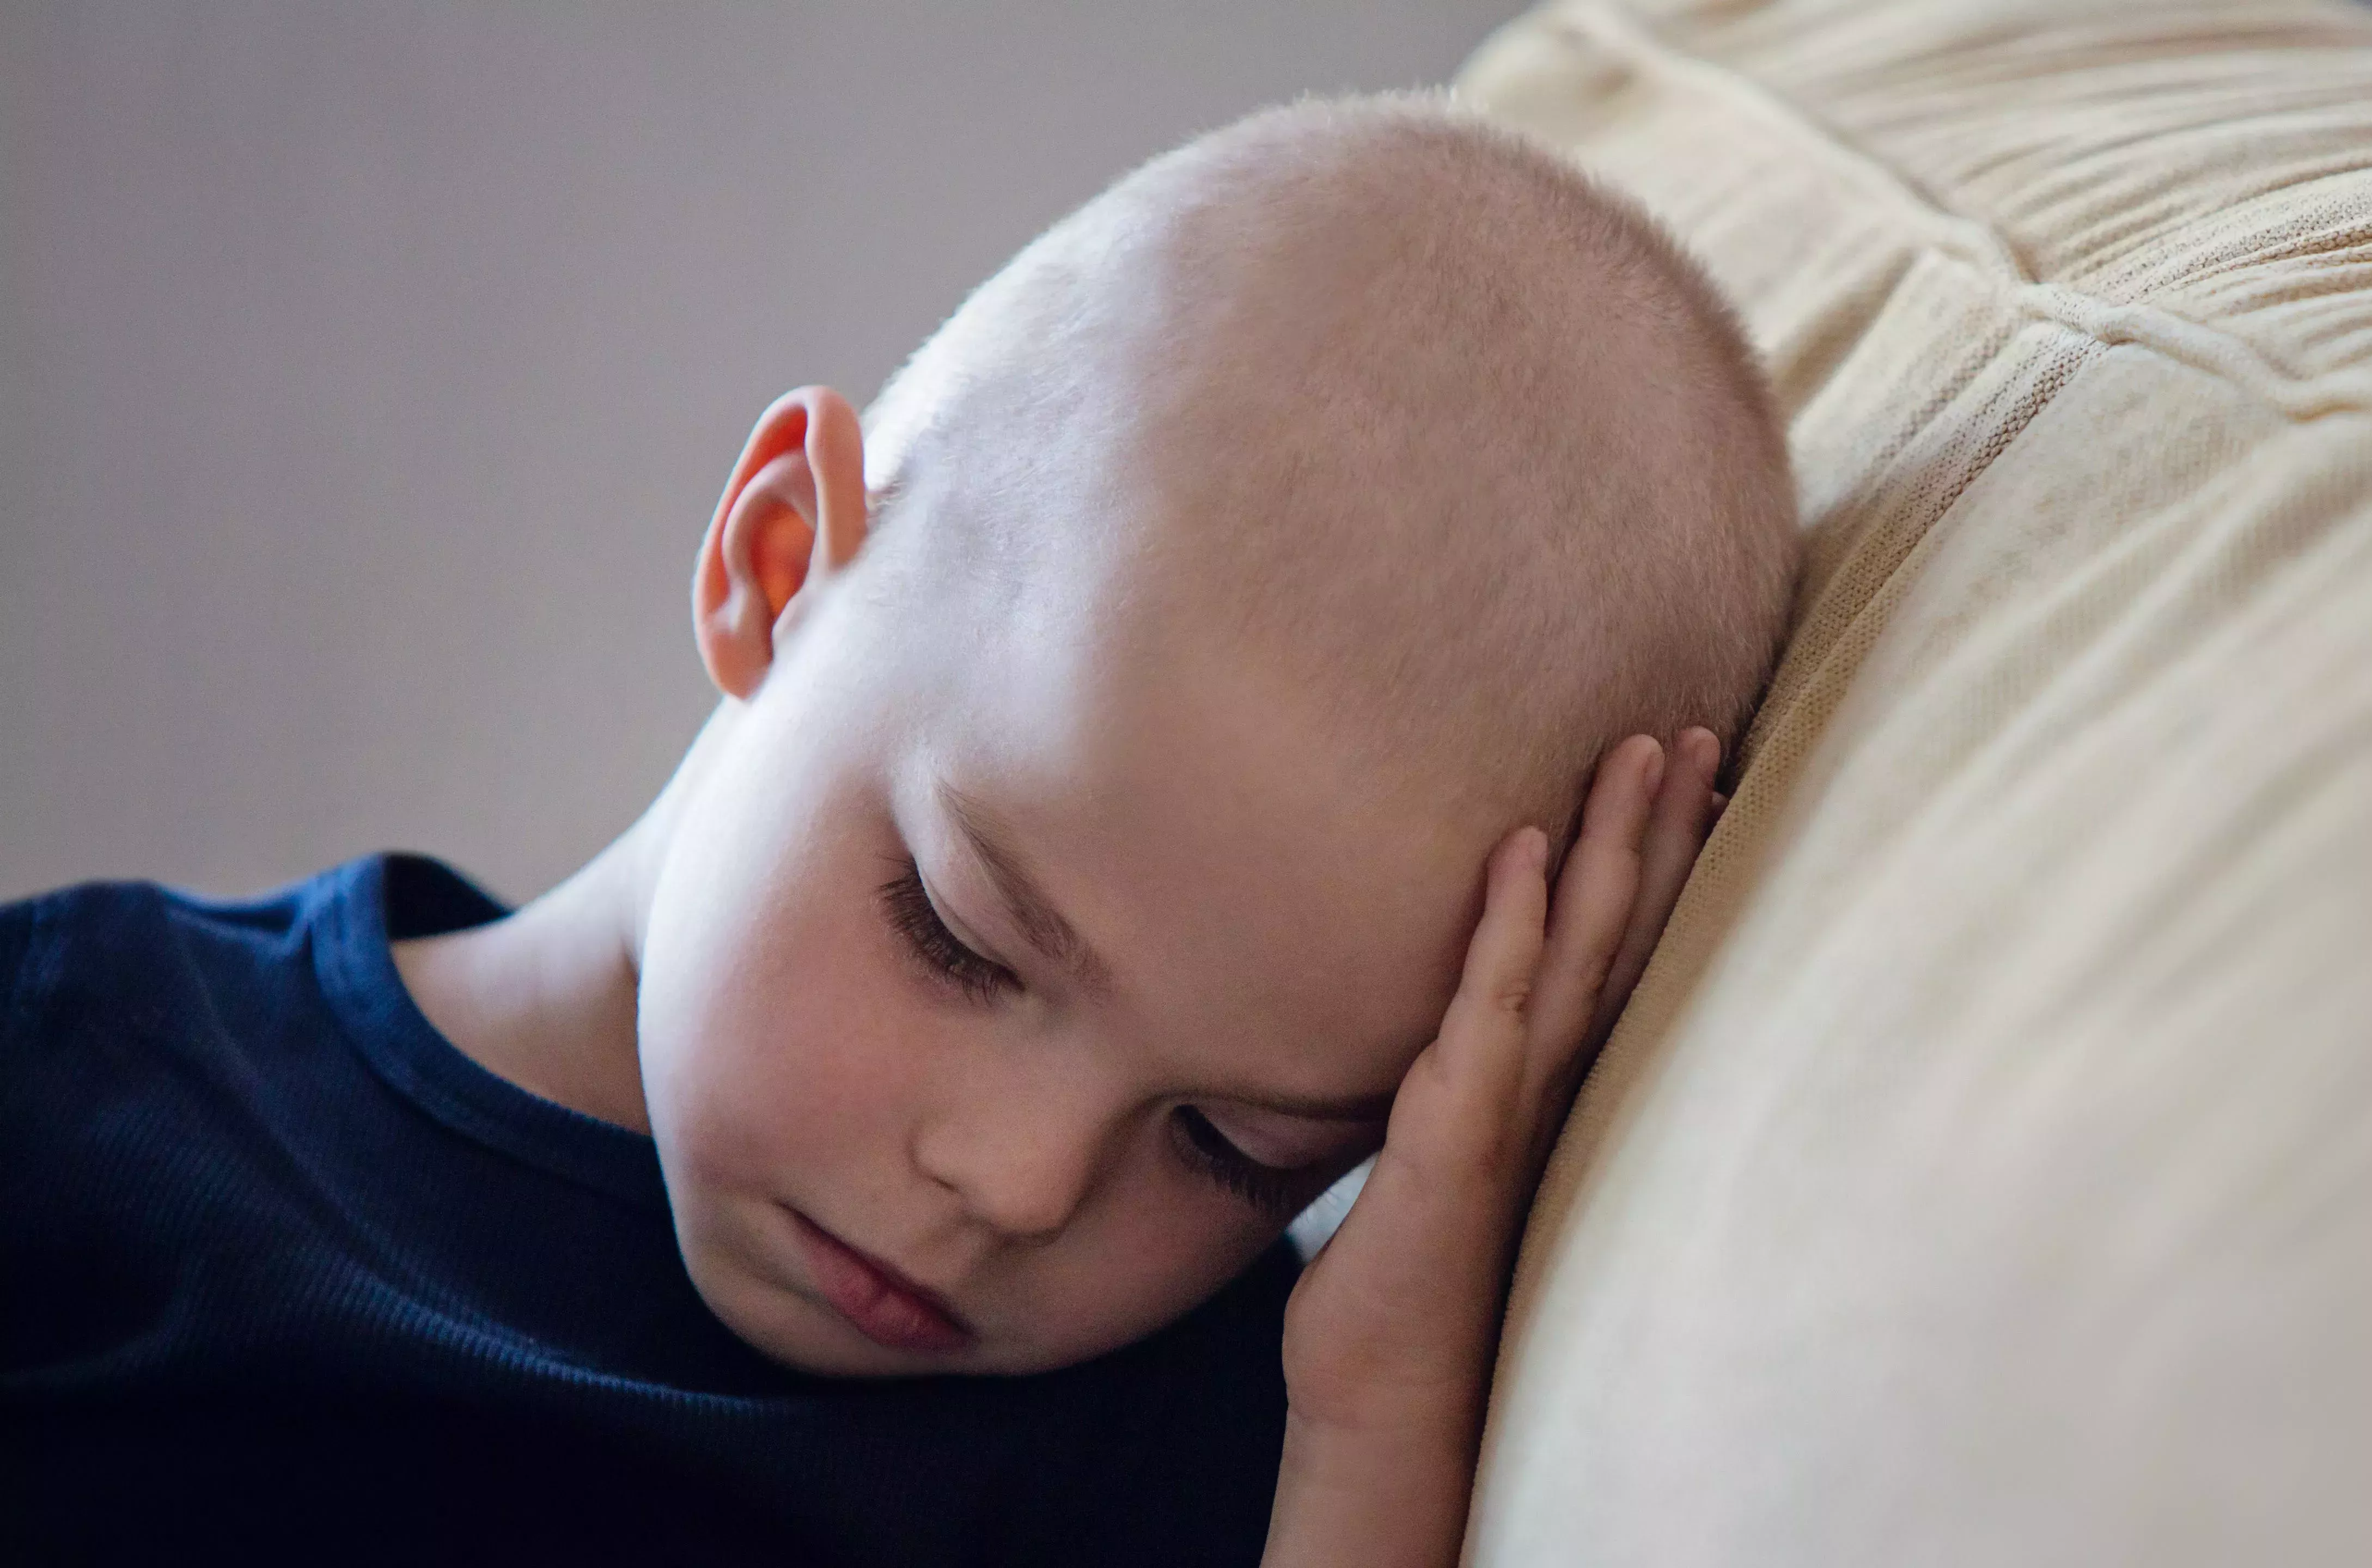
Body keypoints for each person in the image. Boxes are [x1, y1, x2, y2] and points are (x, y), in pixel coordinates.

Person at [0, 93, 1797, 1566]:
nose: (1016, 1188)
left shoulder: (1214, 1462)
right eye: (961, 934)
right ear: (779, 567)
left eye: (1237, 1146)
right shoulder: (82, 1086)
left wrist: (1374, 1429)